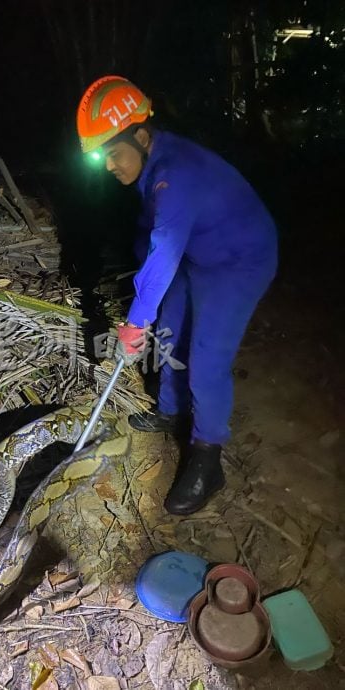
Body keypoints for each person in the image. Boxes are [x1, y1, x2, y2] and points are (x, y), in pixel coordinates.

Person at [76, 76, 277, 516]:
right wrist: (147, 304)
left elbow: (164, 248)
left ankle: (208, 458)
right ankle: (169, 410)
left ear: (142, 136)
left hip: (239, 260)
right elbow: (152, 235)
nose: (109, 166)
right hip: (199, 254)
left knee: (206, 359)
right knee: (169, 328)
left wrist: (134, 320)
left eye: (113, 153)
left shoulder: (176, 173)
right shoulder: (154, 167)